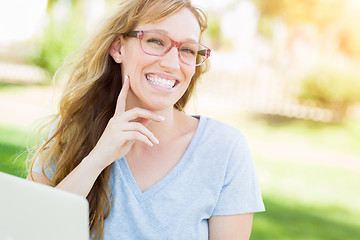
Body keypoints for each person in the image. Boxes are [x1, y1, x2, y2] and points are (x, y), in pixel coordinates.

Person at [27, 0, 265, 239]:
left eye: (187, 50)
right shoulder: (71, 134)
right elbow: (32, 233)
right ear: (118, 48)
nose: (172, 64)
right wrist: (97, 159)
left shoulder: (224, 150)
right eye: (155, 41)